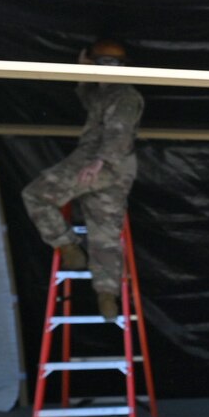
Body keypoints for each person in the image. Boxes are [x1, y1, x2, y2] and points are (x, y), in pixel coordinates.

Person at [20, 40, 143, 323]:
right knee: (104, 233)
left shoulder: (123, 95)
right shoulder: (105, 92)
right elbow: (86, 90)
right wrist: (82, 68)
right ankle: (107, 295)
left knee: (36, 195)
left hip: (101, 161)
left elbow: (119, 134)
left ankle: (68, 246)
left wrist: (99, 161)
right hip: (117, 167)